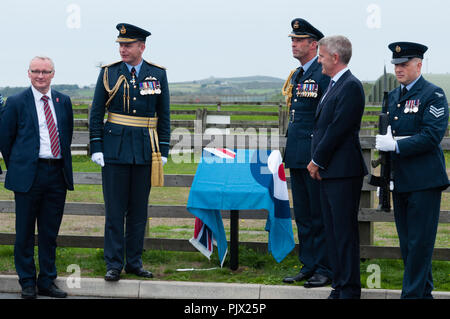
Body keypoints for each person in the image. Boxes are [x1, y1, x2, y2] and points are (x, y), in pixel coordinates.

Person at [89, 23, 170, 281]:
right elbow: (96, 113)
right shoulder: (108, 73)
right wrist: (97, 145)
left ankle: (134, 262)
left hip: (145, 150)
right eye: (121, 45)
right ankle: (113, 263)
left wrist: (164, 149)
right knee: (114, 211)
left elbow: (164, 115)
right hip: (114, 149)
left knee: (138, 211)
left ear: (141, 47)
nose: (123, 49)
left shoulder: (157, 73)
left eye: (128, 45)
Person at [375, 42, 449, 299]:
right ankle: (423, 293)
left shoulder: (433, 94)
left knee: (419, 244)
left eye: (404, 64)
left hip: (424, 180)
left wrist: (396, 145)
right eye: (396, 64)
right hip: (400, 181)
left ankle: (412, 296)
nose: (398, 68)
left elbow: (431, 136)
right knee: (408, 244)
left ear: (419, 64)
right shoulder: (393, 97)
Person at [0, 56, 74, 299]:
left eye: (45, 71)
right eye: (36, 71)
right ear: (28, 73)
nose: (40, 76)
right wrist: (19, 166)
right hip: (28, 175)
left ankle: (47, 281)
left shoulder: (63, 101)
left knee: (49, 232)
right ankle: (27, 282)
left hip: (56, 174)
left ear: (53, 74)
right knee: (24, 232)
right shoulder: (16, 102)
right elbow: (5, 139)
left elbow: (67, 134)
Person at [307, 35, 367, 299]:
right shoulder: (333, 85)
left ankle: (350, 289)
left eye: (321, 56)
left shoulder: (351, 86)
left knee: (344, 233)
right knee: (332, 233)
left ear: (335, 57)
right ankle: (339, 286)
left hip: (343, 172)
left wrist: (316, 159)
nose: (318, 60)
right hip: (330, 172)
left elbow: (338, 129)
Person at [281, 18, 331, 287]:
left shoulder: (323, 73)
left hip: (315, 156)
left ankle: (325, 267)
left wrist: (319, 157)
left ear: (314, 44)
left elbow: (325, 118)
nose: (293, 43)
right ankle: (309, 264)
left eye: (299, 40)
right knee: (303, 215)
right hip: (298, 155)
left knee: (319, 214)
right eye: (292, 39)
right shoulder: (299, 74)